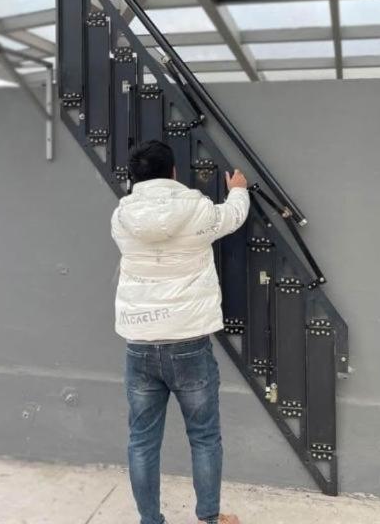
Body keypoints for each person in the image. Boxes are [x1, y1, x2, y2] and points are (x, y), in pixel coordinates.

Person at [111, 139, 250, 524]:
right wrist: (238, 189)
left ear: (134, 177)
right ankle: (209, 518)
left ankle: (150, 520)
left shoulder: (121, 217)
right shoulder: (198, 209)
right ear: (173, 172)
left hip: (140, 344)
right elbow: (232, 217)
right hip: (189, 343)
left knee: (142, 441)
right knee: (204, 437)